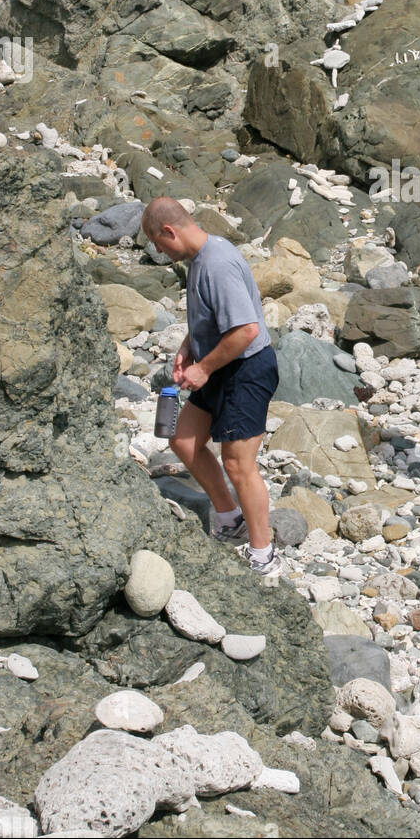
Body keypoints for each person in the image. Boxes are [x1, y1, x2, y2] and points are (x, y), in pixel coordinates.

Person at [140, 197, 281, 577]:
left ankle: (263, 553)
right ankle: (228, 517)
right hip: (220, 365)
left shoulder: (216, 264)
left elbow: (246, 330)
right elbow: (215, 316)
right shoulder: (202, 257)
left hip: (246, 370)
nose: (159, 252)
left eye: (157, 243)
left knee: (238, 464)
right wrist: (189, 347)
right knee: (183, 439)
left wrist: (202, 368)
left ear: (170, 231)